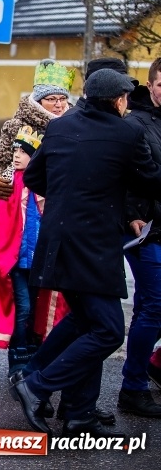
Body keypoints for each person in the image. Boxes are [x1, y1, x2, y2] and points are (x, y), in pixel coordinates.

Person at [11, 68, 161, 437]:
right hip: (93, 247)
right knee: (109, 331)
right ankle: (36, 385)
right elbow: (151, 180)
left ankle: (72, 410)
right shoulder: (127, 132)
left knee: (83, 321)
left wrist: (69, 194)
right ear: (118, 100)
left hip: (57, 242)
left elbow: (33, 178)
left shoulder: (61, 126)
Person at [0, 125, 46, 376]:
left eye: (24, 151)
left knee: (37, 310)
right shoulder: (7, 182)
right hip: (17, 261)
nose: (16, 155)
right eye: (15, 150)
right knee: (24, 308)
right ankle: (18, 357)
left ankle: (33, 354)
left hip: (39, 261)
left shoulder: (43, 182)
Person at [121, 56, 161, 417]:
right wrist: (133, 213)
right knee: (153, 306)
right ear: (151, 86)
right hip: (148, 230)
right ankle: (133, 387)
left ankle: (154, 365)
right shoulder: (136, 123)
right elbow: (130, 175)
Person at [0, 59, 75, 202]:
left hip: (63, 202)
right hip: (24, 204)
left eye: (62, 98)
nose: (58, 105)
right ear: (38, 100)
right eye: (51, 99)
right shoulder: (16, 126)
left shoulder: (74, 125)